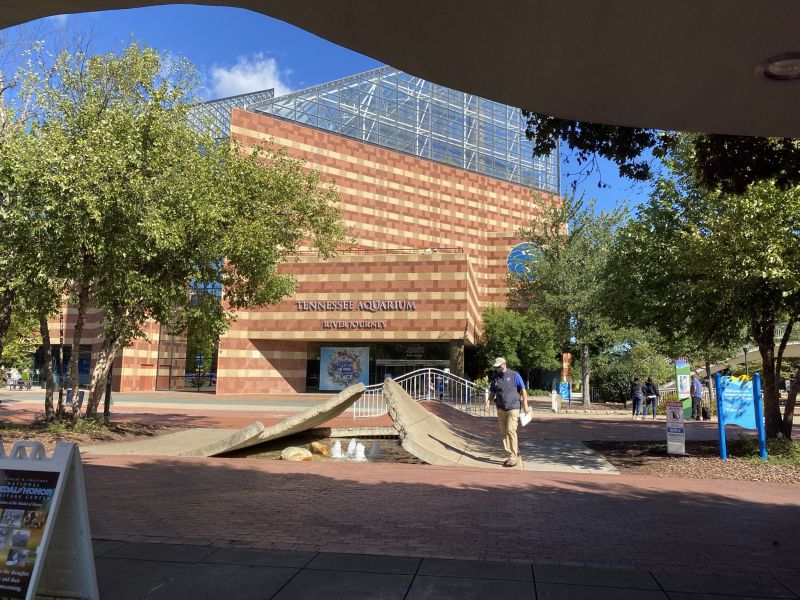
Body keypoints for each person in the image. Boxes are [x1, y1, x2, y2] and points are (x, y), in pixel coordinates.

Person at [484, 357, 530, 467]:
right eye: (496, 367)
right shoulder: (495, 377)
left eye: (499, 366)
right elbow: (492, 392)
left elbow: (523, 390)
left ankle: (514, 457)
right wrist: (488, 402)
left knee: (511, 430)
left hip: (513, 407)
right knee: (504, 433)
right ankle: (510, 455)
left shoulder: (515, 375)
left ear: (504, 364)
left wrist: (525, 405)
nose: (498, 368)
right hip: (501, 408)